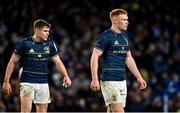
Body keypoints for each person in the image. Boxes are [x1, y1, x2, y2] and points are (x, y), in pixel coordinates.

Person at [2, 19, 71, 112]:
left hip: (43, 82)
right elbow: (12, 62)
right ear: (37, 30)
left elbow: (58, 62)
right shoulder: (25, 43)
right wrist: (6, 81)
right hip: (27, 82)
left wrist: (66, 75)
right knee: (26, 111)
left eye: (48, 31)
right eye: (45, 31)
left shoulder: (50, 44)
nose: (47, 33)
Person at [90, 9, 147, 112]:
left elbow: (128, 58)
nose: (127, 22)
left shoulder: (124, 37)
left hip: (122, 80)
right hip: (109, 81)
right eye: (124, 19)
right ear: (115, 21)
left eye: (127, 19)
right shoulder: (105, 36)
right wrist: (95, 78)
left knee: (111, 111)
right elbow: (95, 56)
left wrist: (139, 77)